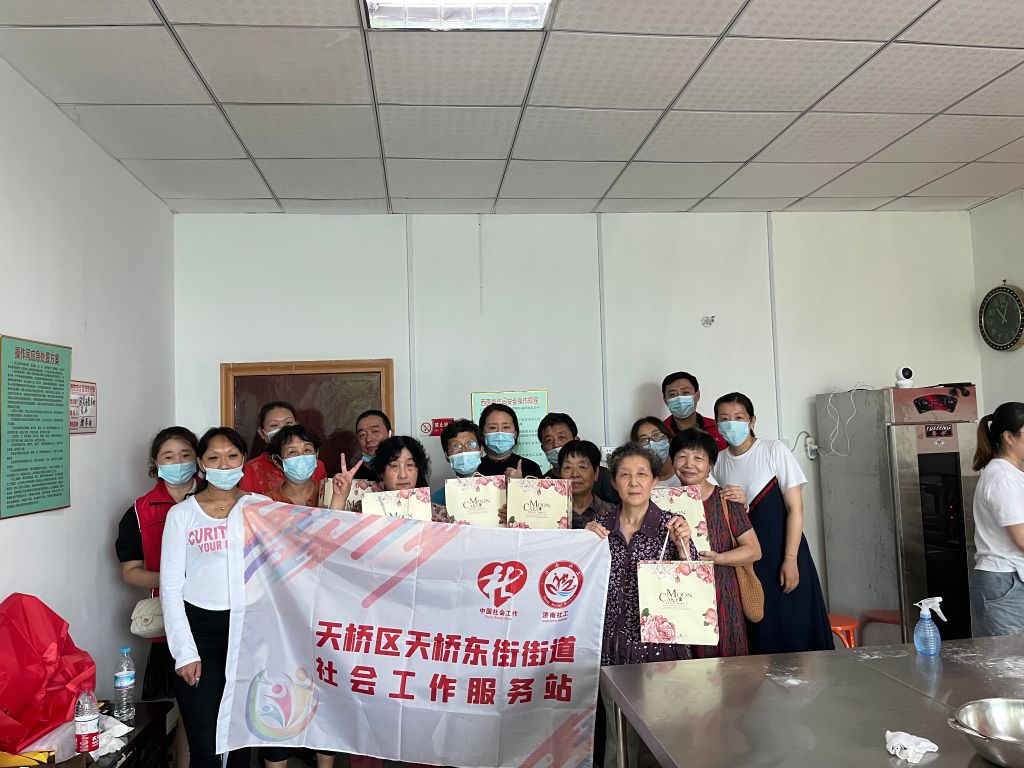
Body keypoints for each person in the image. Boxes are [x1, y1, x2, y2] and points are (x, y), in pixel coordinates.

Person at [585, 442, 698, 768]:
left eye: (642, 474)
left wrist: (684, 543)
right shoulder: (599, 527)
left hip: (663, 651)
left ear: (654, 481)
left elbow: (694, 582)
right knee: (619, 742)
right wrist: (583, 539)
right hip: (612, 649)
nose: (633, 482)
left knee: (669, 739)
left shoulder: (672, 525)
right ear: (614, 481)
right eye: (625, 475)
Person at [161, 427, 265, 768]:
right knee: (205, 744)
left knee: (240, 739)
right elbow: (171, 587)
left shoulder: (260, 508)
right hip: (200, 631)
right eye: (214, 458)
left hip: (249, 632)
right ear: (201, 465)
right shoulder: (182, 515)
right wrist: (184, 652)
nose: (224, 465)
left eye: (232, 456)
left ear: (244, 460)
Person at [713, 393, 833, 654]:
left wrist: (790, 559)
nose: (731, 424)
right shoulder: (718, 461)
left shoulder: (773, 450)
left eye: (739, 417)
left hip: (783, 553)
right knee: (760, 632)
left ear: (752, 421)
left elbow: (795, 508)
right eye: (724, 419)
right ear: (717, 424)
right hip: (748, 561)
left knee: (795, 628)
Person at [115, 426, 198, 768]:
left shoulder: (219, 500)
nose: (178, 462)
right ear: (155, 463)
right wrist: (177, 581)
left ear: (198, 459)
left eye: (186, 455)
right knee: (175, 708)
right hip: (170, 623)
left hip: (215, 618)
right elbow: (131, 571)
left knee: (205, 708)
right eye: (169, 456)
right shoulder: (140, 510)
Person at [670, 428, 761, 658]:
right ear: (672, 461)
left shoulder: (726, 500)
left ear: (710, 465)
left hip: (723, 596)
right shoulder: (663, 502)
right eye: (682, 456)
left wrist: (719, 558)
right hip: (676, 598)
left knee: (728, 669)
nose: (689, 464)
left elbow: (753, 550)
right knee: (683, 668)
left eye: (698, 458)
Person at [971, 402, 1024, 637]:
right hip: (1004, 582)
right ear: (1009, 437)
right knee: (1011, 657)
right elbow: (1021, 538)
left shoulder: (1012, 475)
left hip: (1010, 578)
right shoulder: (1003, 478)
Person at [331, 435, 453, 523]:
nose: (403, 475)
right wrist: (339, 498)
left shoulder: (438, 515)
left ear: (418, 470)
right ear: (381, 472)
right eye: (394, 466)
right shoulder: (364, 509)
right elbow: (334, 543)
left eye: (410, 465)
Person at [240, 401, 326, 494]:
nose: (283, 430)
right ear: (262, 433)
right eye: (274, 425)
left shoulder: (315, 465)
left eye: (288, 423)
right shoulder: (250, 469)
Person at [539, 412, 619, 505]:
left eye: (562, 437)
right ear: (542, 448)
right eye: (549, 440)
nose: (556, 444)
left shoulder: (604, 476)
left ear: (576, 440)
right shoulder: (543, 484)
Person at [558, 439, 616, 529]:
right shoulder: (550, 512)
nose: (574, 474)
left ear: (596, 473)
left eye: (582, 467)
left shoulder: (612, 513)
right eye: (568, 467)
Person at [661, 371, 726, 450]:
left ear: (697, 396)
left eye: (685, 392)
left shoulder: (718, 427)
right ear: (665, 400)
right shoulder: (660, 431)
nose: (679, 399)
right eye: (672, 394)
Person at [263, 425, 325, 507]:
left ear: (316, 454)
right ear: (277, 461)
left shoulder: (330, 493)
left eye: (307, 450)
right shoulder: (268, 503)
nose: (301, 456)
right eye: (292, 452)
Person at [477, 403, 543, 479]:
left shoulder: (531, 467)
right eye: (492, 427)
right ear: (482, 433)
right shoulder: (475, 469)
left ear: (515, 434)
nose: (500, 432)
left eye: (506, 427)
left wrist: (519, 483)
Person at [432, 418, 484, 505]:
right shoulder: (436, 500)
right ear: (447, 456)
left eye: (470, 444)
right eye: (456, 446)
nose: (464, 451)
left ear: (481, 451)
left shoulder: (498, 490)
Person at [630, 417, 679, 487]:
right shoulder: (638, 482)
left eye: (657, 435)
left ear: (669, 439)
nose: (651, 443)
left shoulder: (684, 470)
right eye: (643, 440)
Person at [354, 409, 391, 480]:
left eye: (375, 431)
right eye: (362, 434)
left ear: (390, 434)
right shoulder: (355, 474)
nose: (368, 439)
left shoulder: (405, 467)